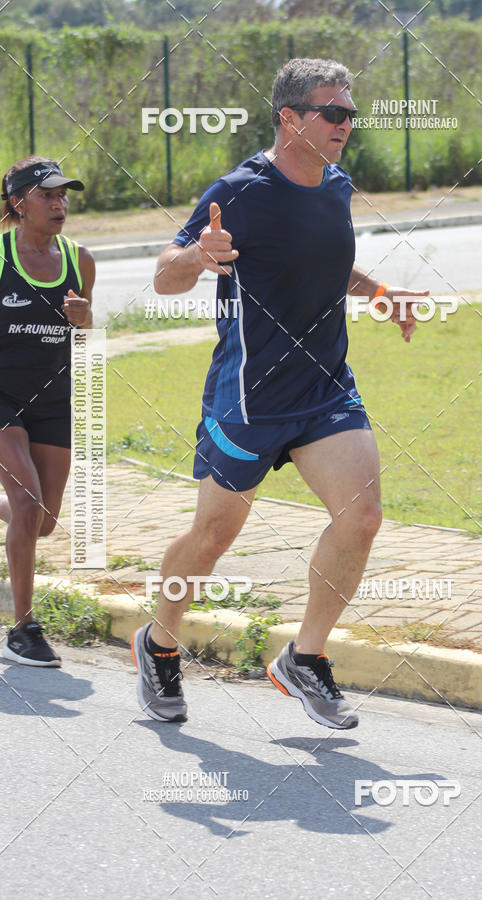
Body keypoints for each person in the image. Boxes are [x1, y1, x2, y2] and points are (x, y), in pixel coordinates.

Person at [132, 58, 428, 727]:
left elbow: (319, 258)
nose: (346, 125)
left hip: (325, 390)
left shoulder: (337, 185)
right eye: (334, 112)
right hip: (249, 398)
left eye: (351, 113)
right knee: (212, 537)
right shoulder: (242, 190)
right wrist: (196, 258)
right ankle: (158, 643)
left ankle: (305, 657)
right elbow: (164, 277)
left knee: (362, 517)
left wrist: (379, 292)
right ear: (290, 117)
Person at [0, 156, 95, 667]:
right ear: (20, 203)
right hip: (1, 397)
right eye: (48, 196)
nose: (60, 204)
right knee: (28, 499)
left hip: (52, 399)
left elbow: (84, 336)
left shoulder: (79, 259)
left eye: (64, 196)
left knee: (44, 520)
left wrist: (85, 320)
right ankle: (22, 629)